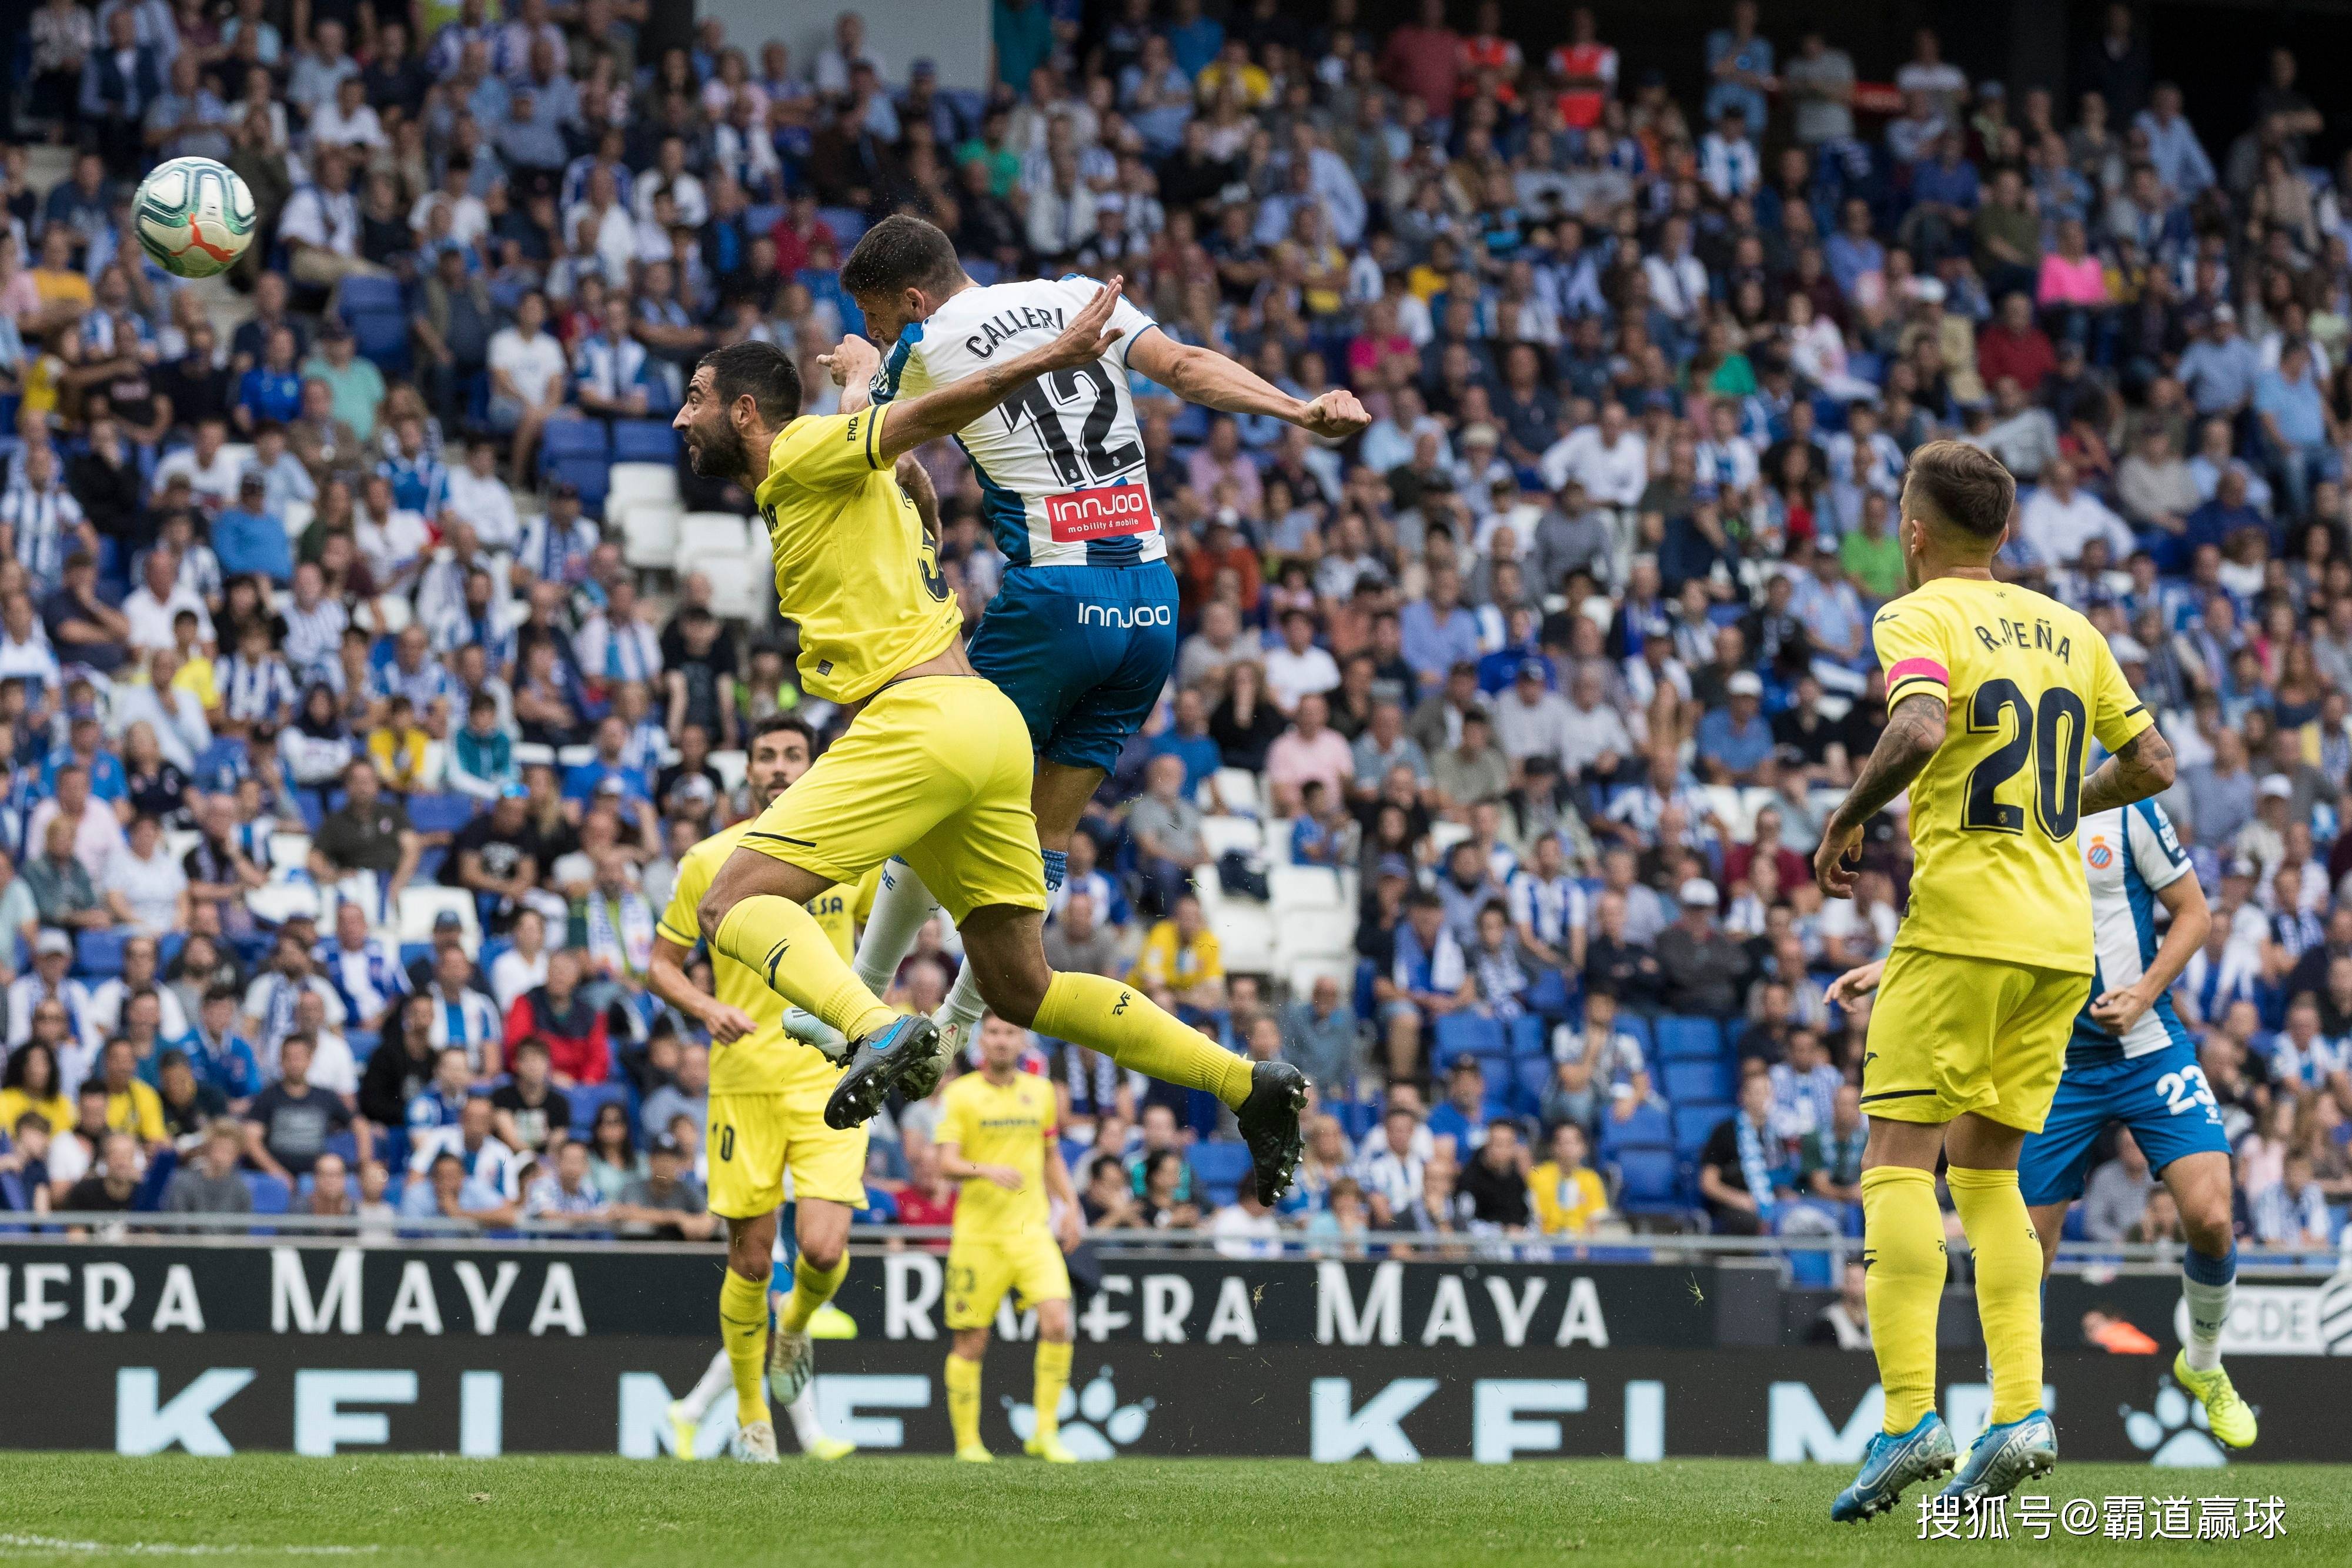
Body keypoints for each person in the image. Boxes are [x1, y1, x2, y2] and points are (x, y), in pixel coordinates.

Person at [666, 311, 1306, 1210]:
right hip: (987, 727)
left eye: (692, 399)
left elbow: (923, 425)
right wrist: (863, 384)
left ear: (743, 412)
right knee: (1021, 984)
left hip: (915, 718)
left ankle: (869, 1027)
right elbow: (906, 472)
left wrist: (1048, 356)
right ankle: (1246, 1082)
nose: (676, 418)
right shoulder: (834, 465)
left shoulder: (805, 450)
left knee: (730, 901)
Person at [807, 215, 1365, 1064]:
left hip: (1055, 600)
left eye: (876, 314)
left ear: (912, 298)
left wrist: (858, 372)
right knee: (1046, 830)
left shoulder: (916, 347)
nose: (876, 330)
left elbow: (858, 451)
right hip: (1150, 603)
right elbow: (1183, 367)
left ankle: (856, 999)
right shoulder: (1075, 295)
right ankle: (959, 1025)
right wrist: (1297, 409)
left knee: (934, 797)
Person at [1812, 441, 2173, 1520]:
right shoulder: (2073, 629)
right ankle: (2020, 1408)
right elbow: (2155, 765)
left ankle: (1909, 1417)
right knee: (1988, 1176)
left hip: (1963, 925)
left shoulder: (1917, 616)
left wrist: (1849, 815)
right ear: (2005, 533)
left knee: (1895, 1159)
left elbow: (1920, 722)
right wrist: (2063, 803)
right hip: (2062, 942)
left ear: (1914, 531)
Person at [1826, 798, 2253, 1449]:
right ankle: (2009, 1420)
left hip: (2147, 1044)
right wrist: (1894, 967)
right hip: (2048, 1057)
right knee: (2027, 1249)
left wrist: (2141, 995)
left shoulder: (2131, 811)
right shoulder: (2009, 811)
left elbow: (2194, 913)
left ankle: (2201, 1363)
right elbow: (1973, 926)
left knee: (2213, 1216)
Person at [646, 713, 873, 1464]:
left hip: (829, 1075)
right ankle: (752, 1425)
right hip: (743, 1082)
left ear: (812, 765)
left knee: (823, 1246)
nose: (779, 767)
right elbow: (661, 964)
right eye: (766, 756)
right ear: (747, 770)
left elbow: (887, 932)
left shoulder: (850, 850)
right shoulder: (708, 860)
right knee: (749, 1259)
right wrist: (707, 1006)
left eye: (791, 755)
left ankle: (798, 1326)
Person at [934, 1012, 1083, 1463]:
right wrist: (986, 1169)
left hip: (1031, 1230)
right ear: (982, 1042)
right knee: (971, 1341)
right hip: (979, 1236)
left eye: (1010, 1033)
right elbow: (946, 1162)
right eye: (994, 1032)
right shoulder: (960, 1095)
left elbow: (1051, 1154)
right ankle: (968, 1444)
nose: (1001, 1040)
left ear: (1022, 1041)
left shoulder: (1039, 1092)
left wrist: (1070, 1205)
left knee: (1058, 1322)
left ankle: (1045, 1432)